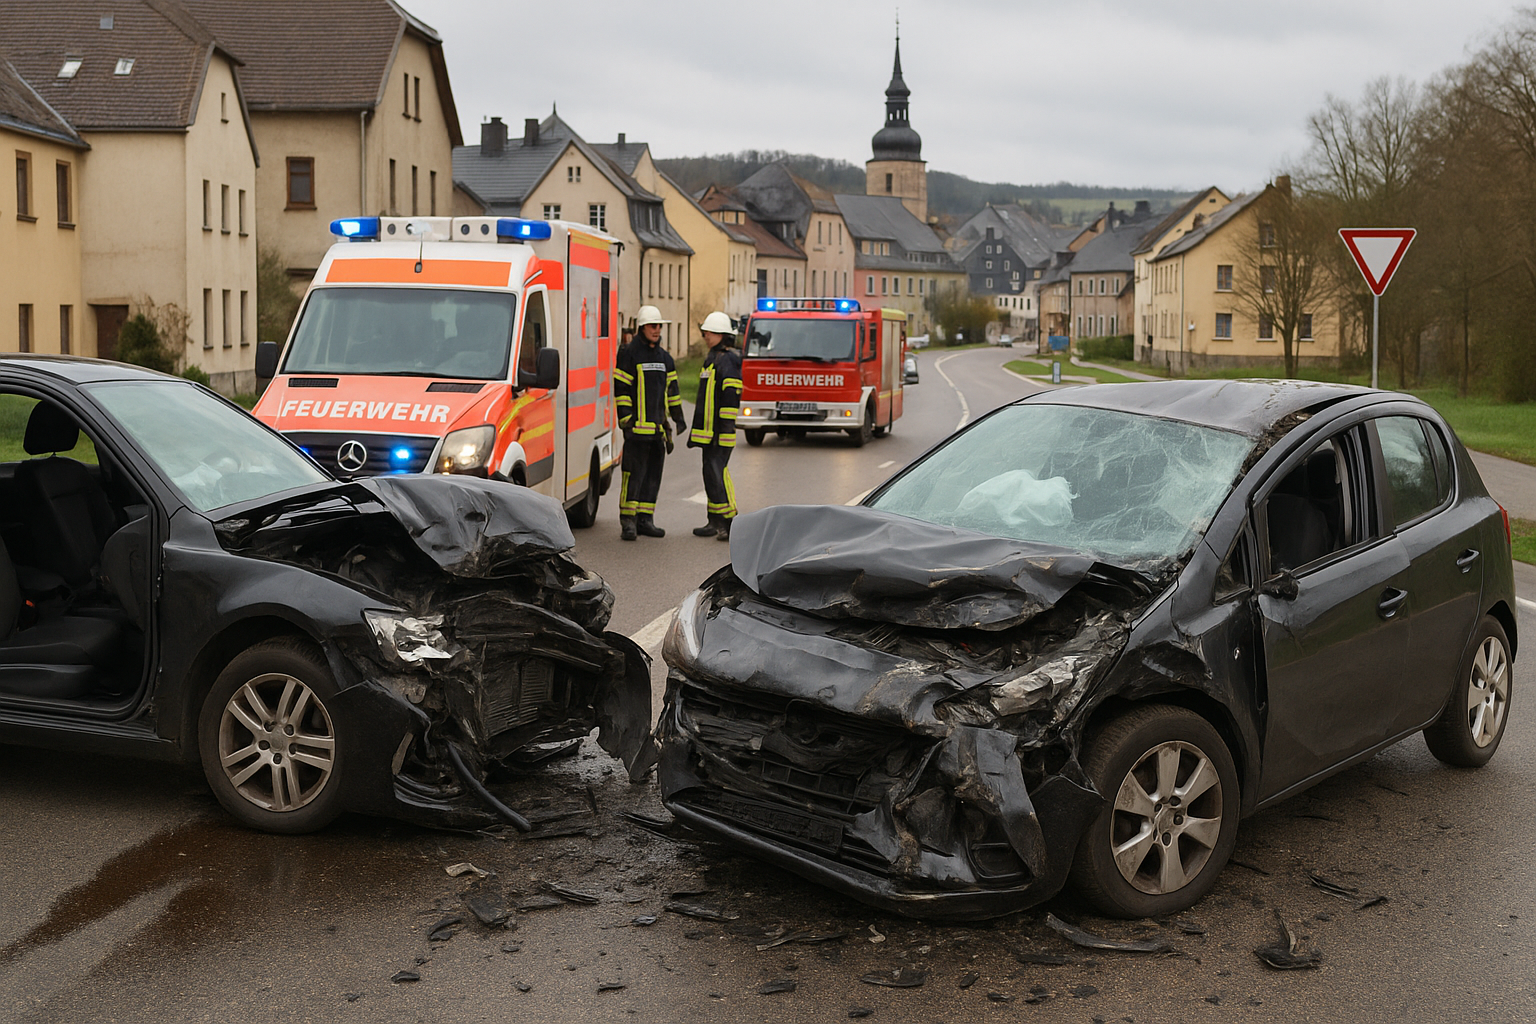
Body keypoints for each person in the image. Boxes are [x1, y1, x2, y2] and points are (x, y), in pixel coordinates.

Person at [614, 306, 687, 541]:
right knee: (632, 475)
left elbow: (673, 393)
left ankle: (646, 519)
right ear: (642, 328)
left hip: (657, 431)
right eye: (653, 326)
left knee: (653, 476)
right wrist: (626, 420)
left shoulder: (665, 358)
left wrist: (678, 419)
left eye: (659, 326)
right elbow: (622, 389)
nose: (657, 330)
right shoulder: (629, 353)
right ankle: (628, 521)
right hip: (636, 430)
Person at [687, 311, 743, 541]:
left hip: (720, 432)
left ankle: (731, 523)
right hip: (708, 433)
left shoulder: (727, 359)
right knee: (710, 474)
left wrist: (725, 427)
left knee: (718, 474)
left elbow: (731, 395)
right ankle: (714, 520)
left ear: (721, 334)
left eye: (708, 332)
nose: (705, 336)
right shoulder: (713, 357)